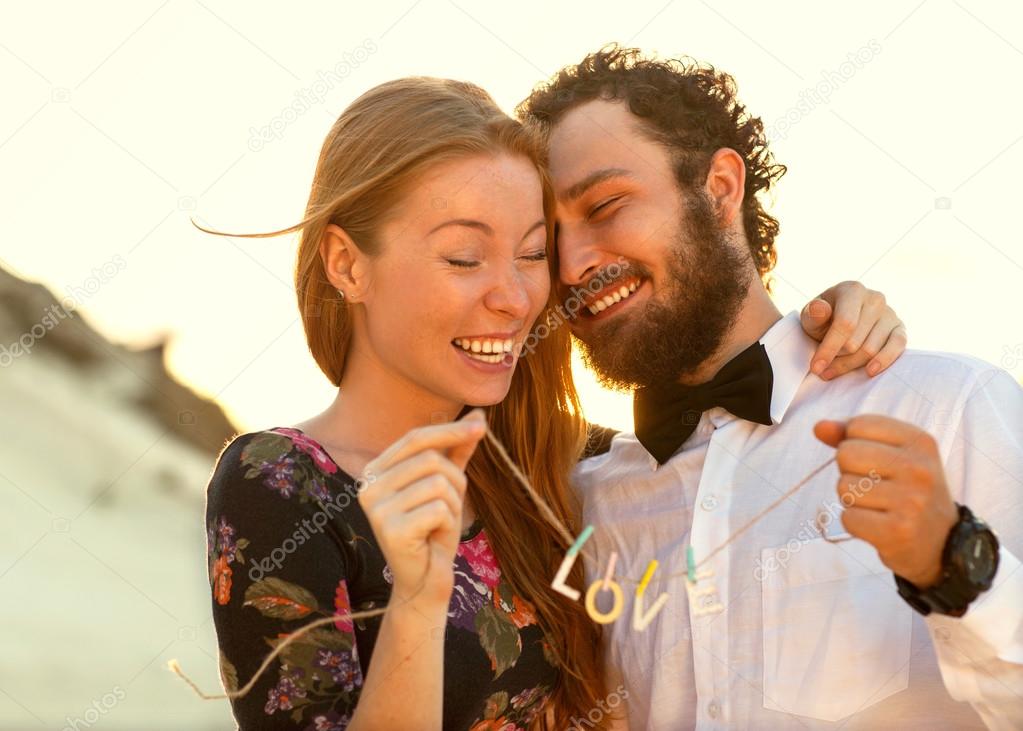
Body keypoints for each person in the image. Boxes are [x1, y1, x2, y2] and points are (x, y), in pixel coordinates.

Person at [201, 76, 907, 730]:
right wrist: (416, 604)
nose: (513, 298)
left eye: (533, 254)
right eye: (463, 257)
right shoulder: (280, 484)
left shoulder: (570, 463)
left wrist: (830, 319)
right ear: (347, 263)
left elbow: (731, 460)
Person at [518, 45, 1023, 730]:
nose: (574, 263)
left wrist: (953, 562)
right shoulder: (582, 504)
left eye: (604, 205)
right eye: (547, 242)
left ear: (720, 188)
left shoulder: (948, 407)